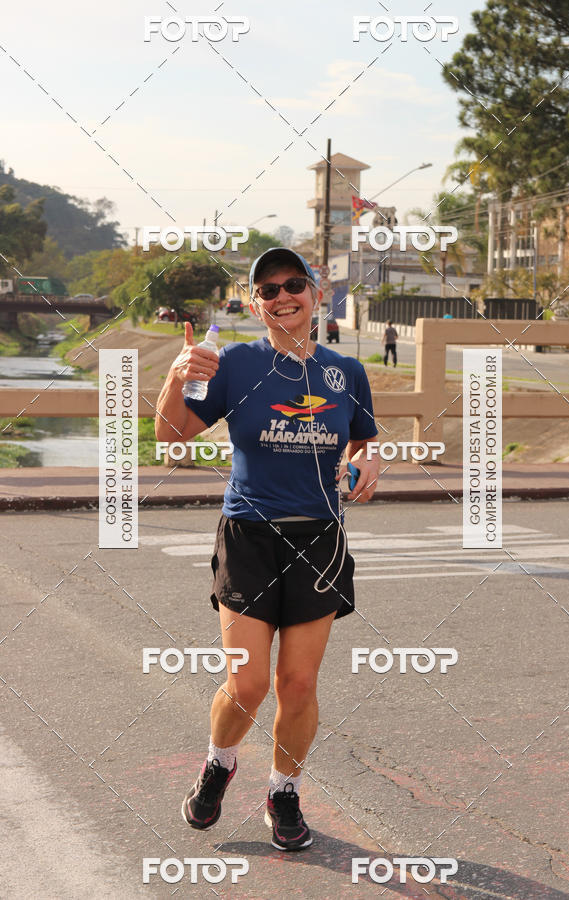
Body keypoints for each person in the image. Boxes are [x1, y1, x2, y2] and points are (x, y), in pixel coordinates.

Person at [155, 247, 380, 852]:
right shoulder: (230, 364)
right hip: (250, 537)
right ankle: (220, 762)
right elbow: (169, 434)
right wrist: (178, 377)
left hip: (321, 539)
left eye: (293, 285)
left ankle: (284, 791)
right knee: (249, 681)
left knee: (299, 684)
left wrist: (366, 464)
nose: (283, 296)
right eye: (268, 289)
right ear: (254, 304)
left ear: (316, 293)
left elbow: (363, 445)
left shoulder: (346, 373)